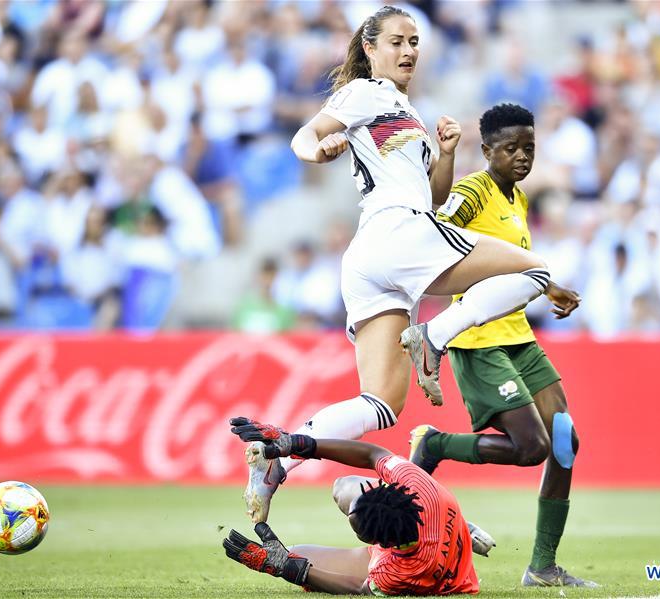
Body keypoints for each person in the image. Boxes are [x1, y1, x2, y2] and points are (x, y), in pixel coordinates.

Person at [244, 4, 551, 524]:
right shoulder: (364, 93)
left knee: (382, 403)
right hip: (396, 232)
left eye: (414, 42)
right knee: (535, 272)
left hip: (374, 253)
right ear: (369, 48)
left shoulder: (407, 112)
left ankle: (277, 458)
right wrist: (319, 153)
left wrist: (447, 154)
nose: (409, 50)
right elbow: (305, 136)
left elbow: (432, 201)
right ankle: (436, 337)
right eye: (397, 41)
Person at [409, 102, 597, 587]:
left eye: (529, 147)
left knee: (564, 443)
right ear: (487, 148)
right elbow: (436, 224)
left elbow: (512, 262)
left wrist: (548, 286)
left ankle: (543, 566)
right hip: (478, 340)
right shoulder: (473, 190)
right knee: (531, 447)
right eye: (510, 147)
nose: (521, 156)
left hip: (519, 335)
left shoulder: (519, 200)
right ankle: (435, 444)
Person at [224, 417, 480, 596]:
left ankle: (458, 529)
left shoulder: (396, 572)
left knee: (294, 553)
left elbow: (360, 589)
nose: (349, 519)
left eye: (357, 528)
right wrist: (298, 444)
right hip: (435, 518)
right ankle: (459, 527)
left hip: (441, 575)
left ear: (380, 542)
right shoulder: (418, 485)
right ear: (389, 489)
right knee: (344, 488)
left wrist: (287, 569)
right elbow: (372, 455)